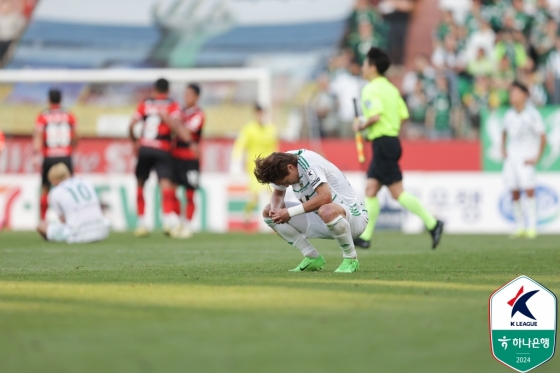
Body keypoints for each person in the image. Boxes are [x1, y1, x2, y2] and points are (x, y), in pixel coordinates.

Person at [352, 47, 444, 249]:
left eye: (365, 64)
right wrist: (384, 130)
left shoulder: (370, 88)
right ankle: (366, 238)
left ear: (373, 67)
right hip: (390, 141)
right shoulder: (392, 89)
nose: (362, 67)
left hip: (383, 143)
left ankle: (433, 223)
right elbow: (403, 115)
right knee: (371, 189)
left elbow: (375, 115)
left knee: (397, 193)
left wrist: (361, 126)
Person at [254, 150, 367, 273]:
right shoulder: (283, 163)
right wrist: (276, 211)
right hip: (321, 218)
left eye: (286, 181)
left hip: (353, 219)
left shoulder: (308, 162)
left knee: (326, 209)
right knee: (268, 211)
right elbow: (278, 194)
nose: (286, 185)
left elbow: (325, 197)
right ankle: (312, 257)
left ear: (290, 167)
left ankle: (351, 259)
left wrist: (289, 212)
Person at [129, 78, 182, 236]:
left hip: (145, 147)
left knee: (140, 185)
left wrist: (134, 141)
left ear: (155, 89)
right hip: (162, 148)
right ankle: (167, 222)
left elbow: (131, 124)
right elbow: (176, 127)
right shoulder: (173, 104)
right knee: (165, 185)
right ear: (168, 90)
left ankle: (142, 224)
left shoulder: (145, 103)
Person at [502, 81, 547, 239]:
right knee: (514, 191)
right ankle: (519, 225)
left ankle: (532, 226)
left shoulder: (532, 114)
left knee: (529, 190)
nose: (512, 96)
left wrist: (536, 158)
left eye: (515, 93)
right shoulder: (508, 115)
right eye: (511, 93)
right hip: (511, 159)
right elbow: (504, 133)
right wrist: (503, 150)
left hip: (526, 158)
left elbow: (543, 137)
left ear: (524, 95)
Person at [33, 89, 78, 222]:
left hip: (49, 156)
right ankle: (70, 220)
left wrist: (36, 154)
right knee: (69, 190)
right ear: (61, 99)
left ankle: (42, 220)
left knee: (46, 188)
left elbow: (38, 136)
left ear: (49, 100)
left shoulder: (43, 116)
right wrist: (71, 149)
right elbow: (76, 136)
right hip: (65, 155)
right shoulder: (69, 115)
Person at [36, 163, 110, 243]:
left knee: (41, 225)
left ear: (53, 181)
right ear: (68, 174)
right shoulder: (86, 181)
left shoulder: (55, 192)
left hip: (78, 234)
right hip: (102, 230)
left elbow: (63, 221)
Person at [167, 83, 205, 239]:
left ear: (196, 97)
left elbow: (186, 132)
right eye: (185, 94)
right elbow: (170, 127)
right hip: (175, 157)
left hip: (191, 159)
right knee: (171, 191)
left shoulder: (199, 115)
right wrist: (175, 123)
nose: (186, 97)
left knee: (189, 194)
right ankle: (179, 223)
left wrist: (175, 123)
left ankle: (188, 225)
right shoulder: (179, 111)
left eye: (189, 94)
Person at [231, 104, 278, 229]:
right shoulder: (249, 129)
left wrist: (277, 163)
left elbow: (274, 148)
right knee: (254, 196)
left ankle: (275, 222)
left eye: (262, 113)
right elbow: (240, 145)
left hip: (269, 168)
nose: (260, 116)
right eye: (258, 113)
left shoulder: (271, 129)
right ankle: (246, 218)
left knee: (273, 194)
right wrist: (236, 161)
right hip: (254, 168)